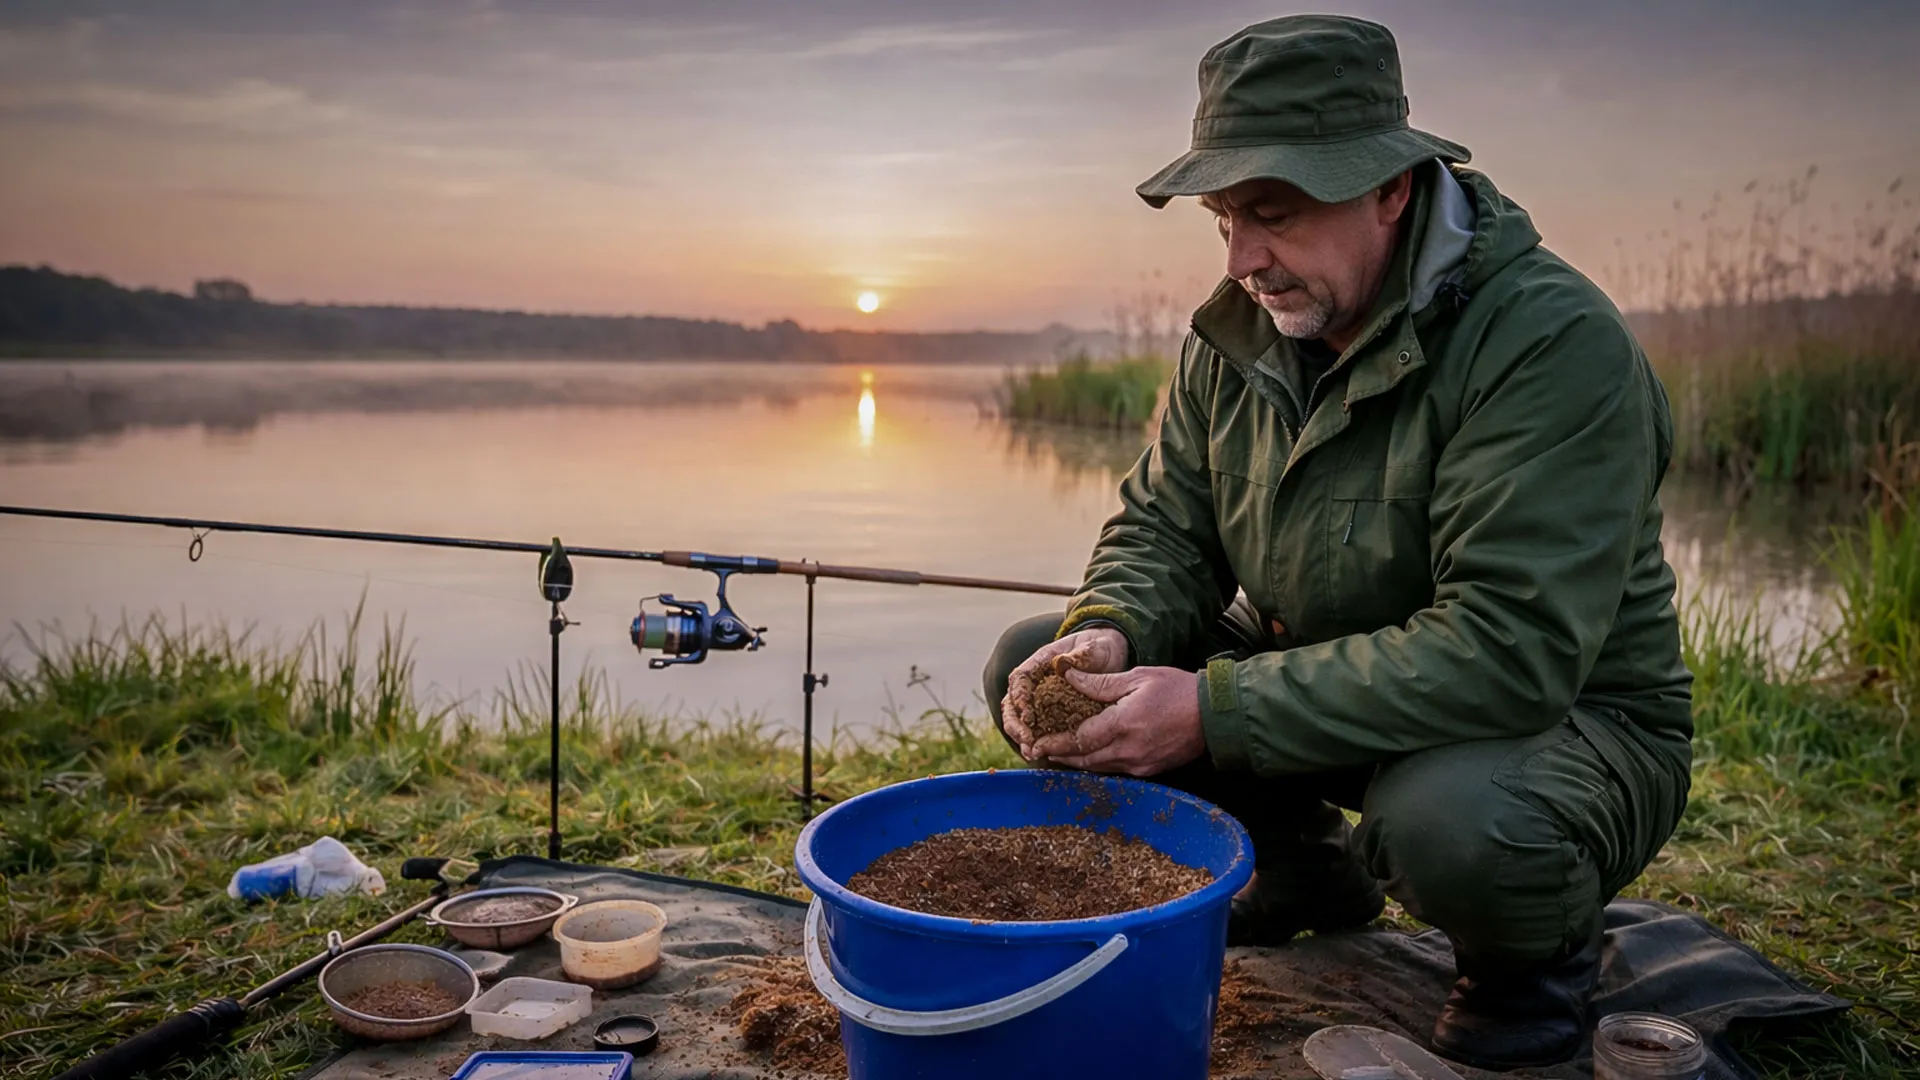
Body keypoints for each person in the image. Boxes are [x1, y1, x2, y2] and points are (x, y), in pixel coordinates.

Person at [985, 14, 1692, 1071]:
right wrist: (1109, 631)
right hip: (1336, 691)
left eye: (1273, 215)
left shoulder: (1550, 343)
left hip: (1562, 724)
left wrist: (1213, 711)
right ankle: (1302, 872)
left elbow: (1511, 651)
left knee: (1449, 821)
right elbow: (1164, 531)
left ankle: (1530, 964)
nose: (1245, 260)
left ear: (1390, 190)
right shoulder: (1235, 333)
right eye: (1222, 219)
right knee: (1039, 665)